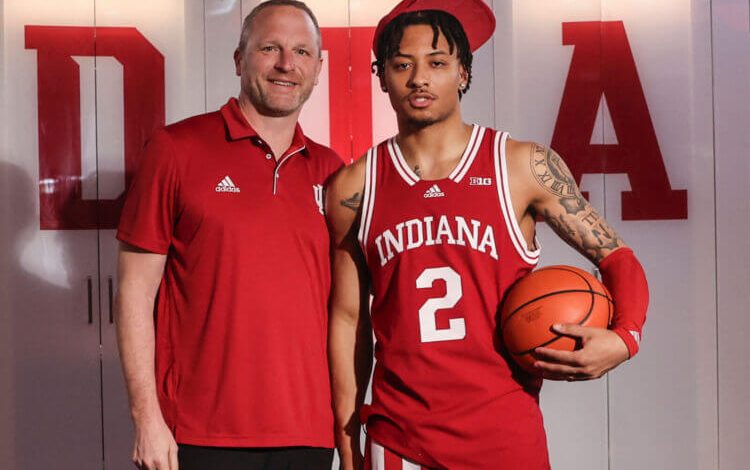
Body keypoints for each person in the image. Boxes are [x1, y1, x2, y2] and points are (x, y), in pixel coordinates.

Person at [327, 1, 649, 468]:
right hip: (399, 439)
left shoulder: (521, 166)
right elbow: (347, 319)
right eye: (402, 65)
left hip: (504, 433)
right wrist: (345, 437)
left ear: (463, 72)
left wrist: (625, 339)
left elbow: (618, 258)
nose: (419, 79)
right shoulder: (354, 187)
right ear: (382, 78)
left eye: (437, 63)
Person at [115, 1, 342, 469]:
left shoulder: (333, 170)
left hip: (308, 435)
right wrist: (146, 419)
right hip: (198, 434)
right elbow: (135, 291)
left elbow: (350, 309)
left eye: (302, 51)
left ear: (318, 69)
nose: (287, 64)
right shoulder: (176, 150)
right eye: (270, 48)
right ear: (239, 60)